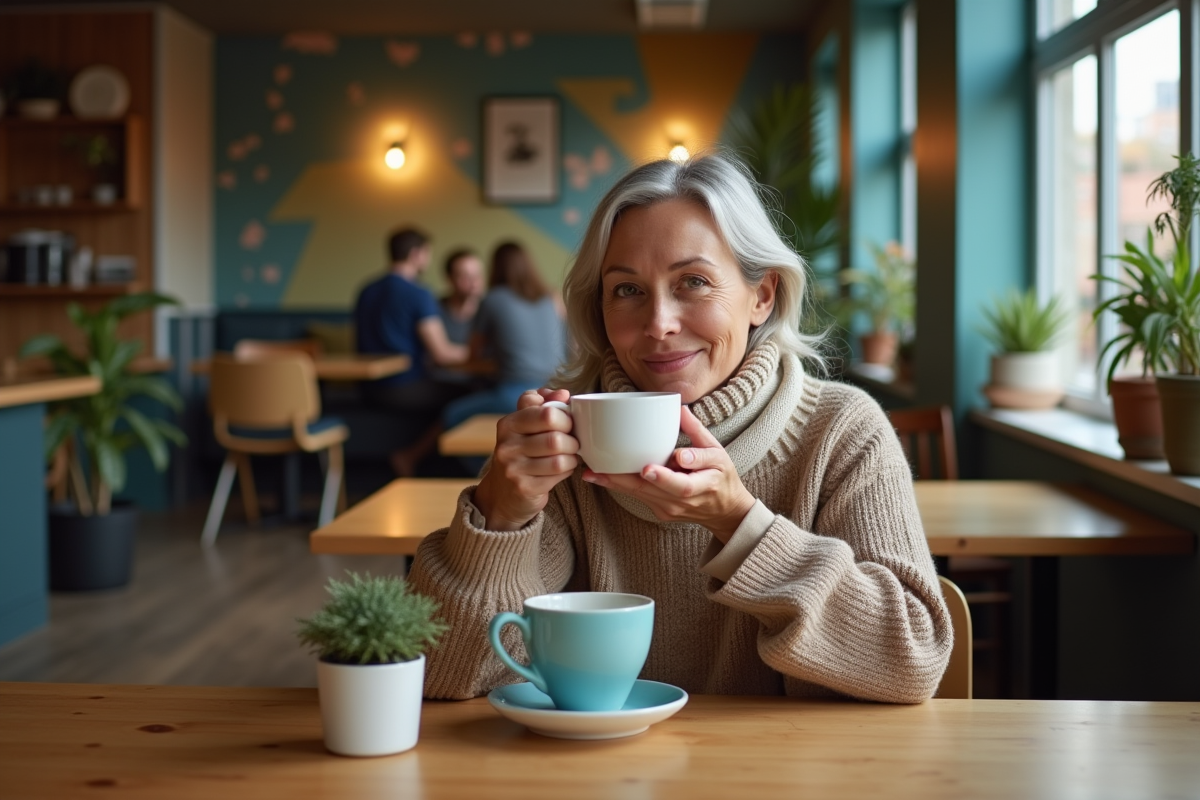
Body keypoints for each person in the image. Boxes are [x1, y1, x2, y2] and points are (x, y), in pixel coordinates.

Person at [408, 154, 952, 704]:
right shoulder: (561, 444)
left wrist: (740, 525)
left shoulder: (841, 432)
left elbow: (911, 663)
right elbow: (443, 672)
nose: (659, 323)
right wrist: (500, 515)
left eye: (692, 282)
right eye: (627, 290)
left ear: (761, 295)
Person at [354, 227, 470, 477]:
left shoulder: (366, 290)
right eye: (426, 253)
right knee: (471, 396)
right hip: (403, 386)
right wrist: (482, 354)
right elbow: (442, 353)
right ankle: (412, 457)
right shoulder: (418, 293)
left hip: (367, 389)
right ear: (416, 254)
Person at [441, 241, 567, 431]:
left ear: (495, 267)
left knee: (451, 414)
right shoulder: (552, 298)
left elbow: (472, 355)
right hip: (556, 389)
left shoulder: (492, 299)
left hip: (515, 392)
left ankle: (482, 461)